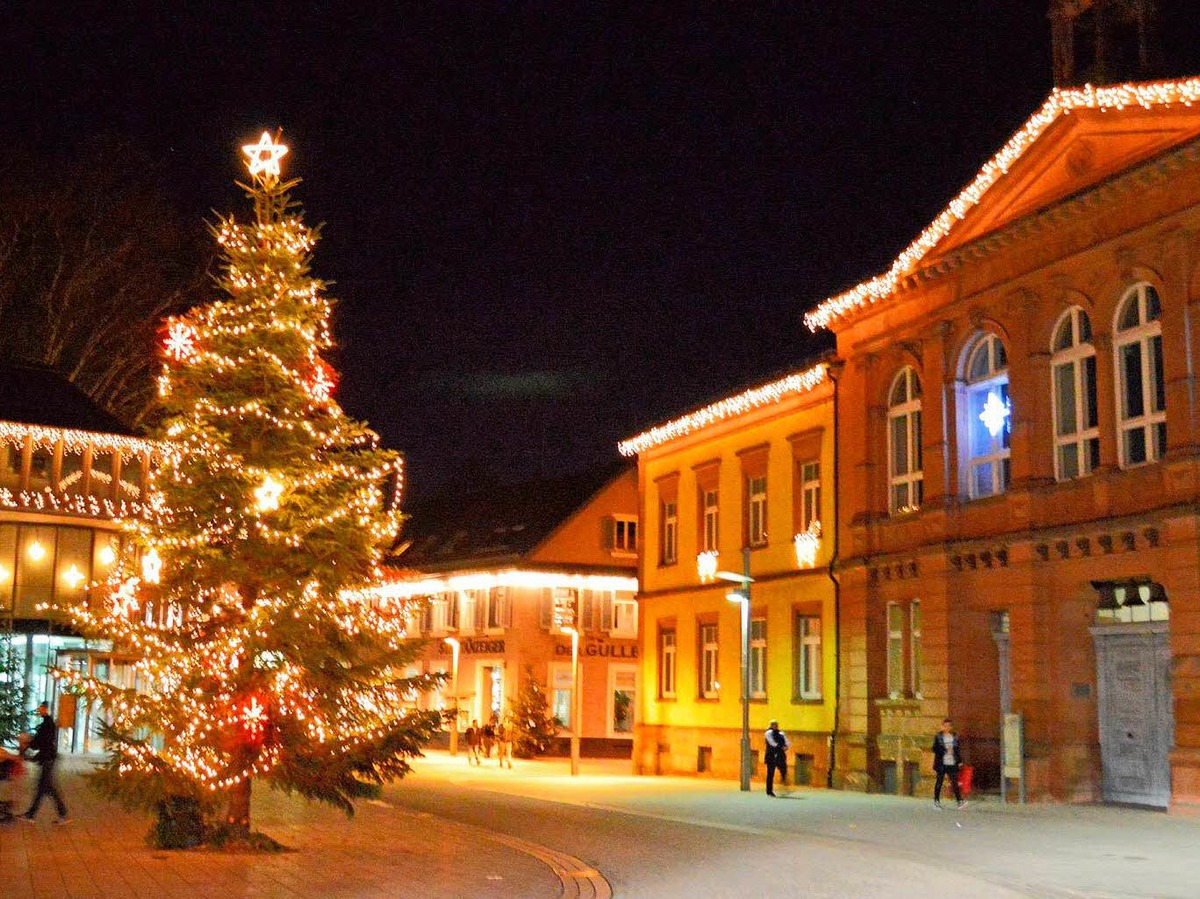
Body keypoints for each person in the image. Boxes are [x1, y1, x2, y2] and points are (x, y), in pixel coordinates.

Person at [23, 702, 69, 824]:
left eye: (41, 709)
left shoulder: (47, 724)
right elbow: (41, 741)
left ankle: (31, 814)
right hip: (48, 758)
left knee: (43, 788)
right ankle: (61, 813)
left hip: (47, 759)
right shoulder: (47, 723)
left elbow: (41, 741)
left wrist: (29, 744)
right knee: (47, 788)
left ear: (45, 709)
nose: (39, 711)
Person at [932, 718, 965, 809]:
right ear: (942, 726)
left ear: (951, 727)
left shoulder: (954, 736)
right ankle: (936, 801)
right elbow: (934, 749)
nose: (947, 728)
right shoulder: (938, 737)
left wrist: (959, 761)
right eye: (945, 726)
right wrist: (946, 750)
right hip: (941, 763)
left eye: (949, 726)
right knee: (939, 782)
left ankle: (959, 801)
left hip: (952, 762)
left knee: (954, 782)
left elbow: (957, 750)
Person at [0, 733, 31, 825]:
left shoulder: (2, 752)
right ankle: (7, 812)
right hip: (7, 776)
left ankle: (7, 815)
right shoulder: (2, 751)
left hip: (6, 776)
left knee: (8, 796)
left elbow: (16, 759)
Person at [764, 719, 789, 797]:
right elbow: (772, 743)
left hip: (780, 754)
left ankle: (783, 780)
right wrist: (781, 747)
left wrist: (786, 746)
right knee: (770, 774)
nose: (775, 726)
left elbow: (787, 741)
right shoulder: (768, 732)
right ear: (771, 725)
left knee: (783, 768)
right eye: (773, 724)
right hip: (771, 755)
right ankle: (769, 791)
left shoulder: (781, 733)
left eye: (776, 724)